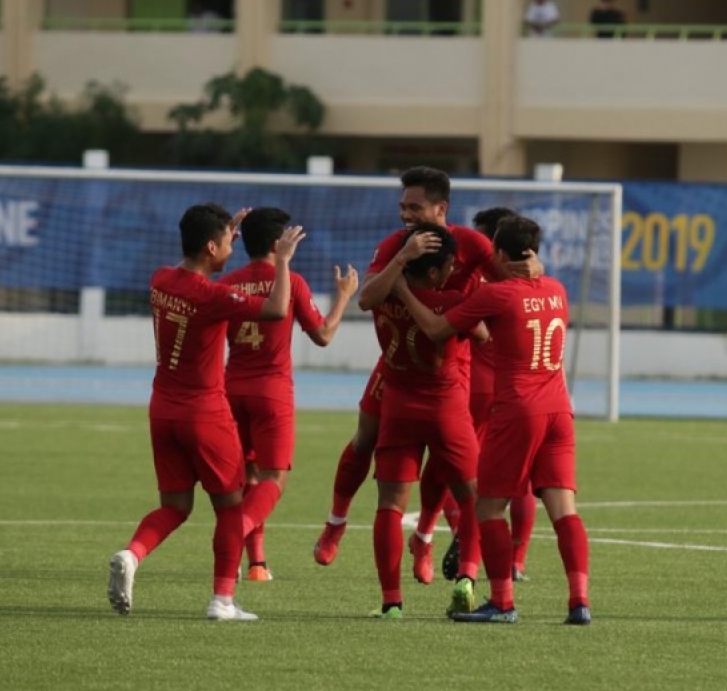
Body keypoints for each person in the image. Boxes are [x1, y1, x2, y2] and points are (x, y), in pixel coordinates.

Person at [311, 166, 541, 573]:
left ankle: (425, 538)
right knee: (364, 438)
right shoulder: (393, 245)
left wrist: (534, 273)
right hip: (397, 364)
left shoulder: (470, 244)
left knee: (447, 460)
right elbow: (366, 299)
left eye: (414, 207)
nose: (406, 214)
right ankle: (336, 523)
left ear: (441, 208)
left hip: (452, 370)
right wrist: (403, 259)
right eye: (402, 206)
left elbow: (509, 281)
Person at [107, 203, 305, 622]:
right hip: (205, 414)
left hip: (162, 410)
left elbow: (202, 261)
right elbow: (275, 310)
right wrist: (283, 261)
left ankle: (131, 554)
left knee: (175, 506)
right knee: (232, 508)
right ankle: (222, 600)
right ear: (211, 246)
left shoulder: (160, 279)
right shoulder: (213, 297)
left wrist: (226, 231)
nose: (233, 248)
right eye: (228, 242)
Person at [394, 215, 592, 625]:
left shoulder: (499, 295)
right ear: (534, 252)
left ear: (499, 254)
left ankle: (502, 602)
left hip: (519, 411)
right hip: (560, 410)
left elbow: (434, 329)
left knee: (486, 507)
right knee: (564, 509)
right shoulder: (557, 290)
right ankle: (579, 602)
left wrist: (402, 289)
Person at [220, 207, 358, 582]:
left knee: (248, 476)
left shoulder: (227, 281)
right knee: (273, 479)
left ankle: (258, 565)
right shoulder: (291, 281)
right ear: (277, 243)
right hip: (271, 392)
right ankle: (237, 535)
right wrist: (345, 295)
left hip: (231, 389)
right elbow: (323, 335)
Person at [368, 224, 485, 619]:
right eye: (449, 265)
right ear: (435, 272)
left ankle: (391, 603)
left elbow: (366, 297)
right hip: (445, 406)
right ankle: (468, 577)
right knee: (473, 496)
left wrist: (399, 274)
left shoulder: (384, 294)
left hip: (398, 405)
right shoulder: (451, 299)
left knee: (390, 506)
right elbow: (482, 333)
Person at [436, 207, 537, 584]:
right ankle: (517, 559)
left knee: (462, 472)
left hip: (475, 382)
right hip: (523, 388)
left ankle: (464, 537)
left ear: (494, 247)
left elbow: (448, 326)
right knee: (521, 480)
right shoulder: (540, 288)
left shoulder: (477, 282)